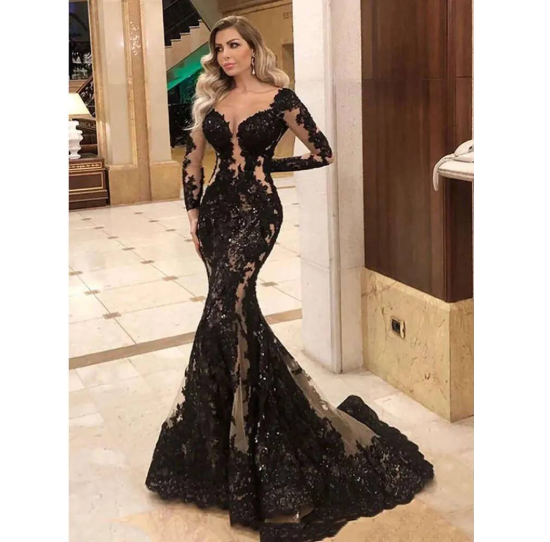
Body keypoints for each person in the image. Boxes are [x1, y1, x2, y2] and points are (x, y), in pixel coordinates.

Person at [145, 15, 434, 541]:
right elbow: (193, 159)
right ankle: (232, 436)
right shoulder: (212, 100)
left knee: (228, 307)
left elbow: (322, 152)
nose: (226, 55)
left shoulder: (281, 99)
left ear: (253, 49)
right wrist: (192, 212)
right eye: (219, 48)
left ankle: (251, 438)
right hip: (216, 214)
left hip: (258, 213)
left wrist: (269, 168)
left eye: (234, 45)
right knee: (232, 315)